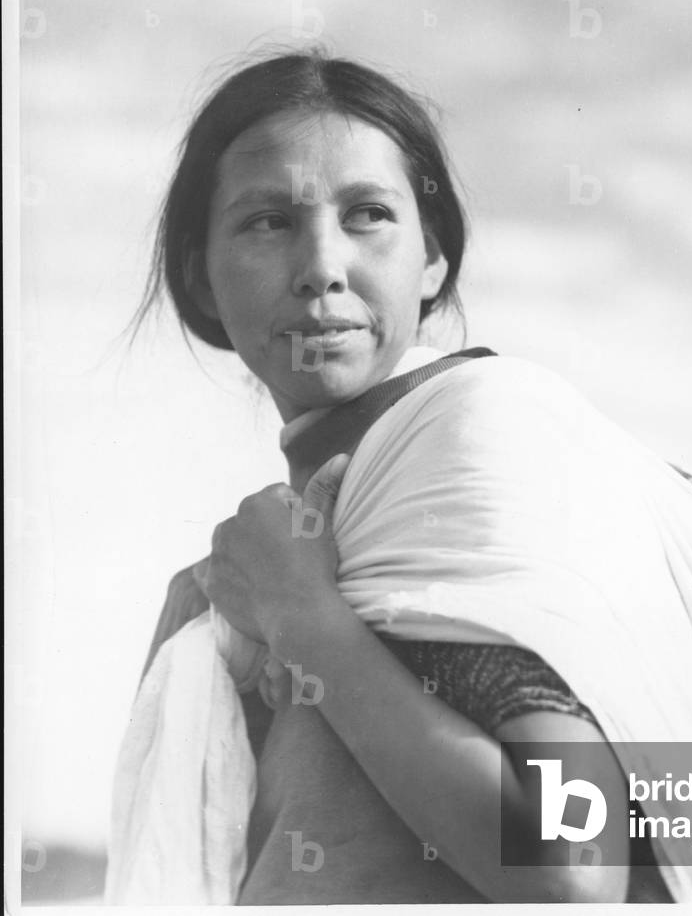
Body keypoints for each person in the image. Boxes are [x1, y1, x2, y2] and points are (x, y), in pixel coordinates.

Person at [134, 47, 635, 904]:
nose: (321, 266)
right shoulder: (225, 587)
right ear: (198, 275)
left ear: (432, 261)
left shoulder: (472, 472)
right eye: (265, 221)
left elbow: (571, 867)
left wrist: (307, 620)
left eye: (367, 213)